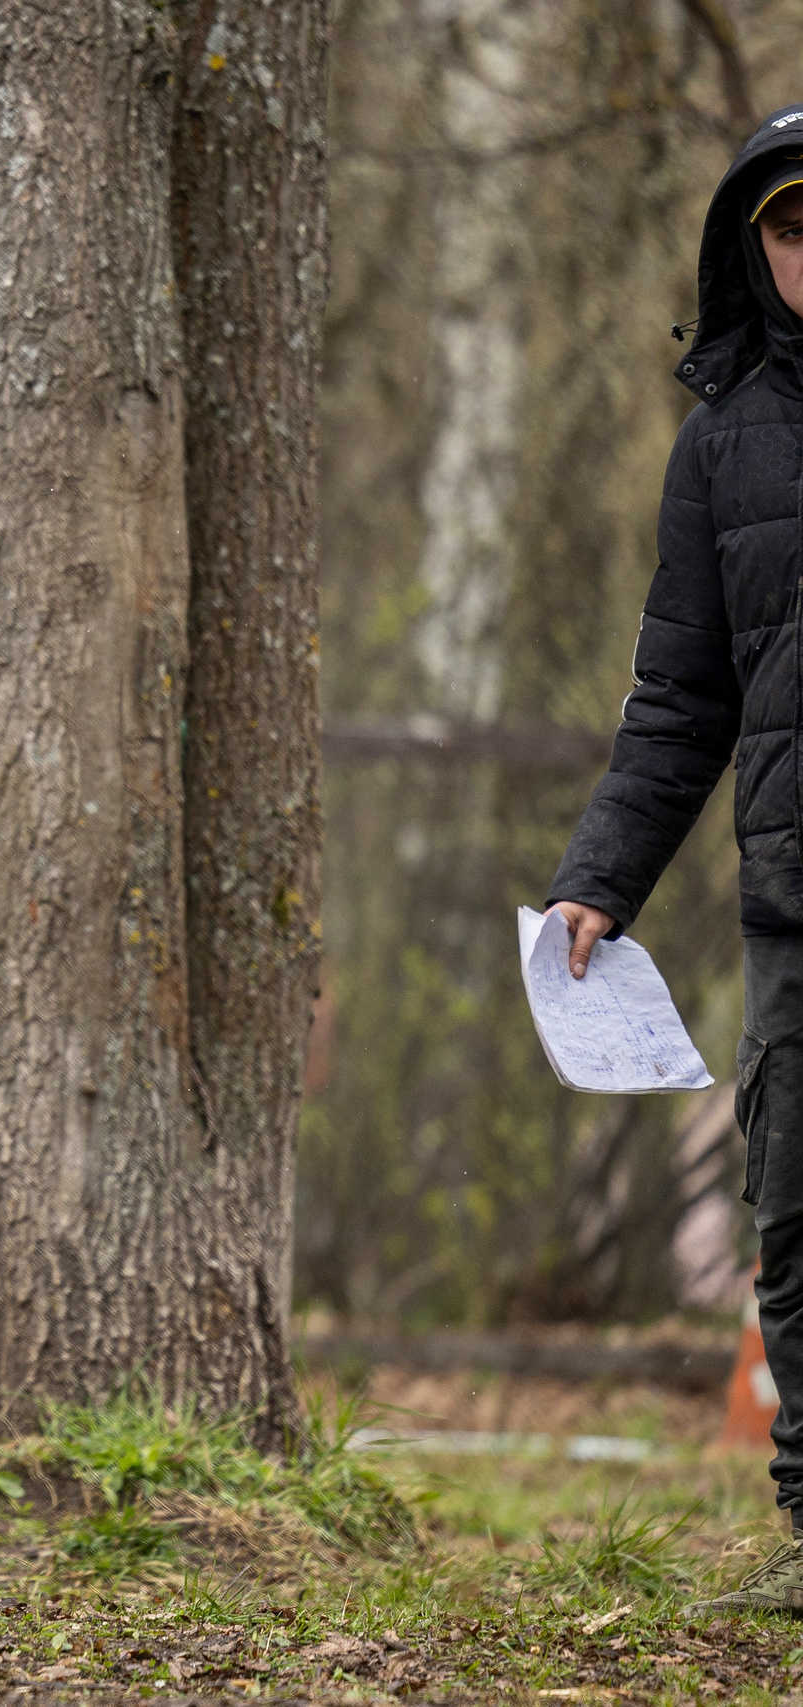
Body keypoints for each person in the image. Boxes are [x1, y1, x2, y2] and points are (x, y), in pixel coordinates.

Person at [547, 101, 803, 1613]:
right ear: (748, 249)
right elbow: (680, 697)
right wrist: (600, 877)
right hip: (794, 899)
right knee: (796, 1199)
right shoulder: (719, 447)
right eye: (787, 227)